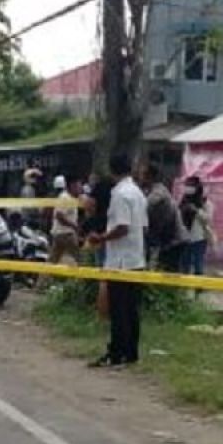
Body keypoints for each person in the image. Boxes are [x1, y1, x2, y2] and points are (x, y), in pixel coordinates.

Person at [87, 154, 148, 368]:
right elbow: (141, 226)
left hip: (120, 261)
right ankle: (131, 353)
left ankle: (116, 353)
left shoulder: (120, 194)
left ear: (112, 171)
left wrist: (101, 238)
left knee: (119, 310)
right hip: (136, 258)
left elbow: (122, 227)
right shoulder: (138, 192)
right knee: (131, 309)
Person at [143, 165, 187, 272]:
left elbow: (147, 204)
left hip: (174, 240)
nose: (141, 178)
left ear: (150, 177)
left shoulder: (159, 191)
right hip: (168, 240)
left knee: (169, 273)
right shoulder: (153, 191)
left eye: (143, 175)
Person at [182, 179, 215, 276]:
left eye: (191, 185)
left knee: (198, 265)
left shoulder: (206, 203)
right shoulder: (184, 200)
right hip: (185, 237)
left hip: (199, 238)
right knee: (185, 264)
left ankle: (198, 288)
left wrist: (196, 210)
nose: (188, 188)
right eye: (187, 185)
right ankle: (184, 288)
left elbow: (208, 219)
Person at [49, 175, 81, 266]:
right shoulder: (65, 197)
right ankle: (87, 278)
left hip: (60, 233)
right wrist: (74, 226)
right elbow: (59, 215)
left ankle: (43, 279)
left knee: (52, 261)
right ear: (72, 185)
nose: (80, 187)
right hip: (66, 234)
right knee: (81, 258)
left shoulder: (70, 197)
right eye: (78, 185)